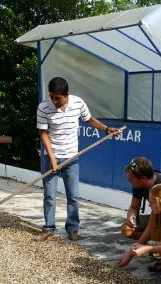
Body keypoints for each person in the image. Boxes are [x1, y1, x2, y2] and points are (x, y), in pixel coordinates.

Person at [34, 77, 119, 242]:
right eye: (51, 96)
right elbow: (43, 133)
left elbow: (89, 119)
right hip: (50, 156)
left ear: (66, 95)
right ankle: (49, 228)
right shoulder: (43, 108)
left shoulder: (78, 103)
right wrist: (52, 159)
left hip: (72, 156)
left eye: (57, 98)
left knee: (73, 195)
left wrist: (107, 129)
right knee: (49, 195)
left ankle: (73, 228)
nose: (54, 100)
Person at [121, 157, 161, 241]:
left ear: (143, 178)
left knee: (157, 222)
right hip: (157, 217)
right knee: (127, 230)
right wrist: (131, 216)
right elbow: (134, 206)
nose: (128, 180)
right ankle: (159, 243)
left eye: (130, 177)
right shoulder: (138, 185)